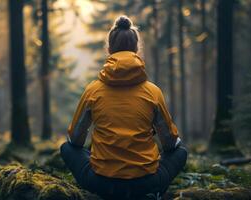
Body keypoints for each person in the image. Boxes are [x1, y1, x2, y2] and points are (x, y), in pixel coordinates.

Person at [60, 15, 187, 200]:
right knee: (181, 151)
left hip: (102, 183)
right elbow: (169, 143)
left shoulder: (93, 91)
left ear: (109, 49)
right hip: (146, 183)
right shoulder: (153, 92)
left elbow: (75, 141)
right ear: (136, 49)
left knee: (66, 148)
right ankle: (153, 194)